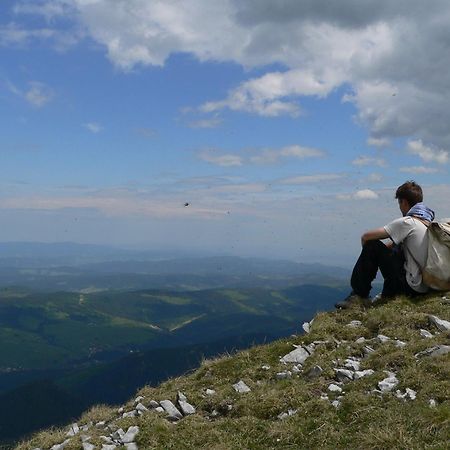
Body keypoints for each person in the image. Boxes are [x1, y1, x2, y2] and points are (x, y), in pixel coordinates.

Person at [336, 181, 435, 309]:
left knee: (371, 245)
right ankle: (386, 292)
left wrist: (368, 259)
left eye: (399, 203)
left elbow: (366, 237)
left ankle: (359, 295)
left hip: (409, 287)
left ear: (404, 202)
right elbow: (397, 246)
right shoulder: (427, 222)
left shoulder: (407, 222)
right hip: (427, 287)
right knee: (393, 248)